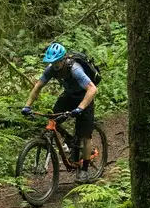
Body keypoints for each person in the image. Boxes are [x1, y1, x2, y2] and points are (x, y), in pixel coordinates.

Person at [23, 43, 101, 179]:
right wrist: (27, 106)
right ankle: (69, 142)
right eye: (51, 63)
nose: (54, 65)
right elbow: (37, 87)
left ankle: (84, 170)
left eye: (57, 62)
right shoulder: (51, 70)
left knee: (85, 136)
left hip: (85, 97)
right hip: (69, 95)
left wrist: (80, 108)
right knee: (54, 118)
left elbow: (93, 89)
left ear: (63, 59)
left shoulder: (75, 69)